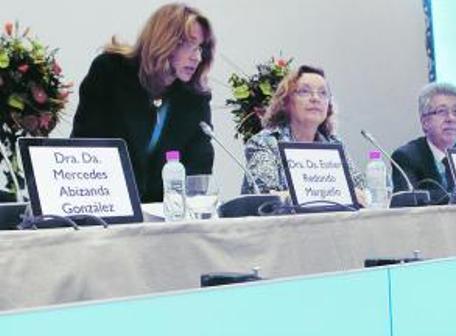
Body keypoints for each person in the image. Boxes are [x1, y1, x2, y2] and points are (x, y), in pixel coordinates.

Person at [71, 3, 215, 204]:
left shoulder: (194, 97)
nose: (197, 57)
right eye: (189, 45)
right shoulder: (110, 72)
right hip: (106, 206)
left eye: (200, 47)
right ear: (164, 41)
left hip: (165, 216)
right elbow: (85, 145)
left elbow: (200, 164)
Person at [240, 64, 364, 196]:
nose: (315, 98)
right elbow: (266, 197)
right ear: (285, 102)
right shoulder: (265, 142)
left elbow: (363, 191)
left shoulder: (334, 144)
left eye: (323, 93)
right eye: (304, 91)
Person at [391, 82, 456, 203]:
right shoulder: (406, 157)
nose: (451, 118)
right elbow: (406, 204)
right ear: (425, 122)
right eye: (442, 111)